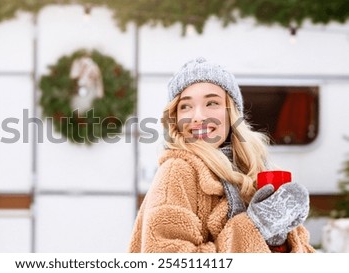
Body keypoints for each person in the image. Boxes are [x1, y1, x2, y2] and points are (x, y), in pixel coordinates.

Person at [128, 57, 315, 253]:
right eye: (185, 106)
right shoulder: (177, 170)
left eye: (212, 103)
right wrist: (256, 227)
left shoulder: (255, 168)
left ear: (231, 113)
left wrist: (280, 241)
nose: (198, 116)